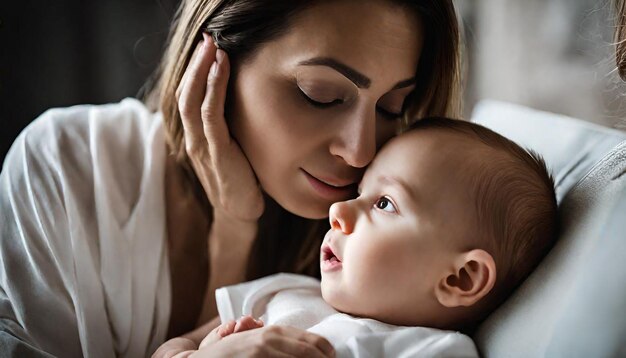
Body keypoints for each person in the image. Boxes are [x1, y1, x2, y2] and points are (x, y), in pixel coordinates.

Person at [0, 0, 462, 356]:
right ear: (214, 57)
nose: (360, 151)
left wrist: (233, 232)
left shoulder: (379, 254)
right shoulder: (68, 166)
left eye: (390, 109)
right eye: (318, 94)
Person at [155, 117, 559, 357]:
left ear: (460, 278)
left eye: (384, 204)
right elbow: (169, 346)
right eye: (360, 192)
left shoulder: (430, 351)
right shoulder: (285, 292)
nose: (339, 210)